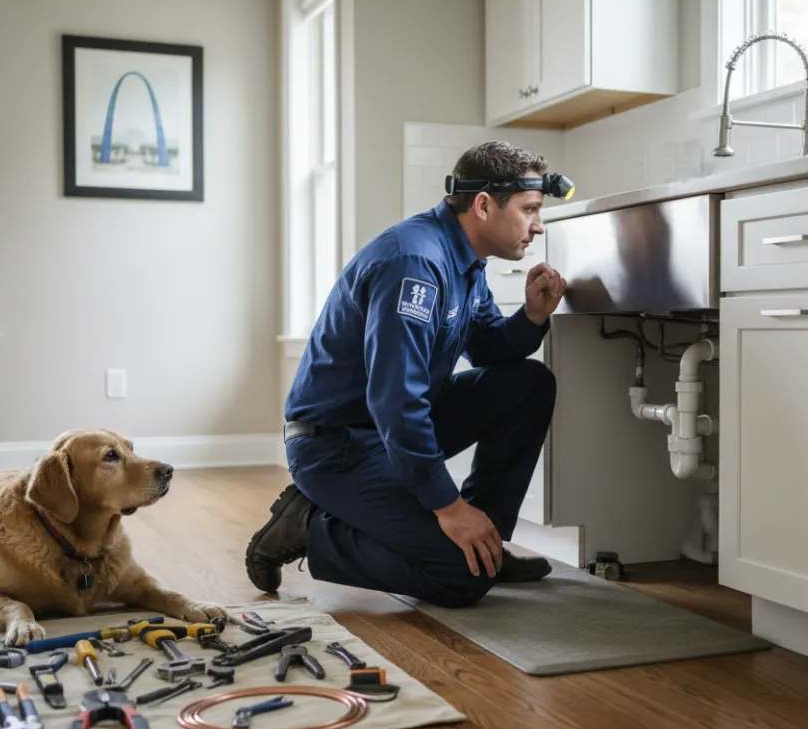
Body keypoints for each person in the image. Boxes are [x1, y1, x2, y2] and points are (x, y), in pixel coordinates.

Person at [244, 140, 572, 608]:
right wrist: (449, 508)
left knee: (529, 385)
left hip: (384, 428)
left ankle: (487, 547)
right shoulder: (415, 264)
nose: (538, 226)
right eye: (530, 210)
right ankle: (312, 528)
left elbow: (489, 350)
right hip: (336, 446)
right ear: (483, 206)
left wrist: (532, 316)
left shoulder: (465, 260)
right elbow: (396, 402)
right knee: (458, 580)